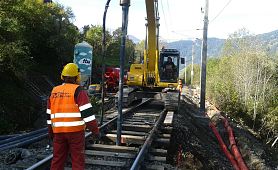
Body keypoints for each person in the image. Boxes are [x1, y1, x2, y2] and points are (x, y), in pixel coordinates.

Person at [46, 63, 99, 170]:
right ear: (77, 77)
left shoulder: (54, 91)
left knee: (57, 160)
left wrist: (51, 132)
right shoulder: (79, 91)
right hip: (76, 133)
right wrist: (95, 131)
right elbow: (87, 115)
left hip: (58, 133)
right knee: (77, 160)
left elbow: (49, 115)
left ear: (63, 76)